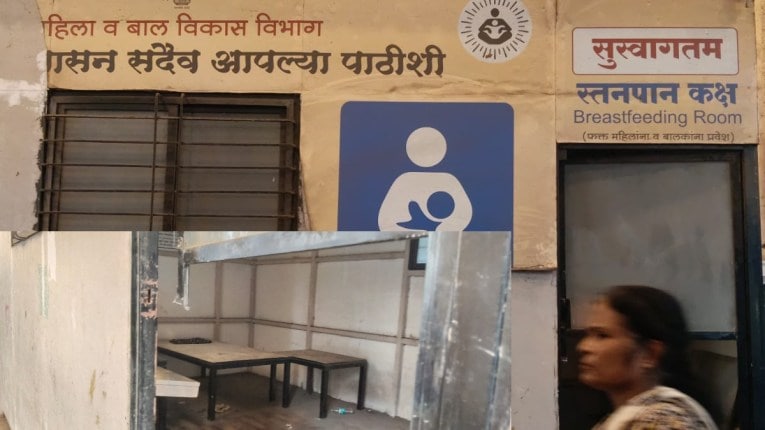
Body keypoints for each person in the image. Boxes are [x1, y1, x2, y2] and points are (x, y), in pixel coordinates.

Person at [577, 285, 720, 429]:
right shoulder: (629, 417)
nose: (583, 347)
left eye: (602, 335)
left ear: (650, 354)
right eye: (588, 335)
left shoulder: (664, 421)